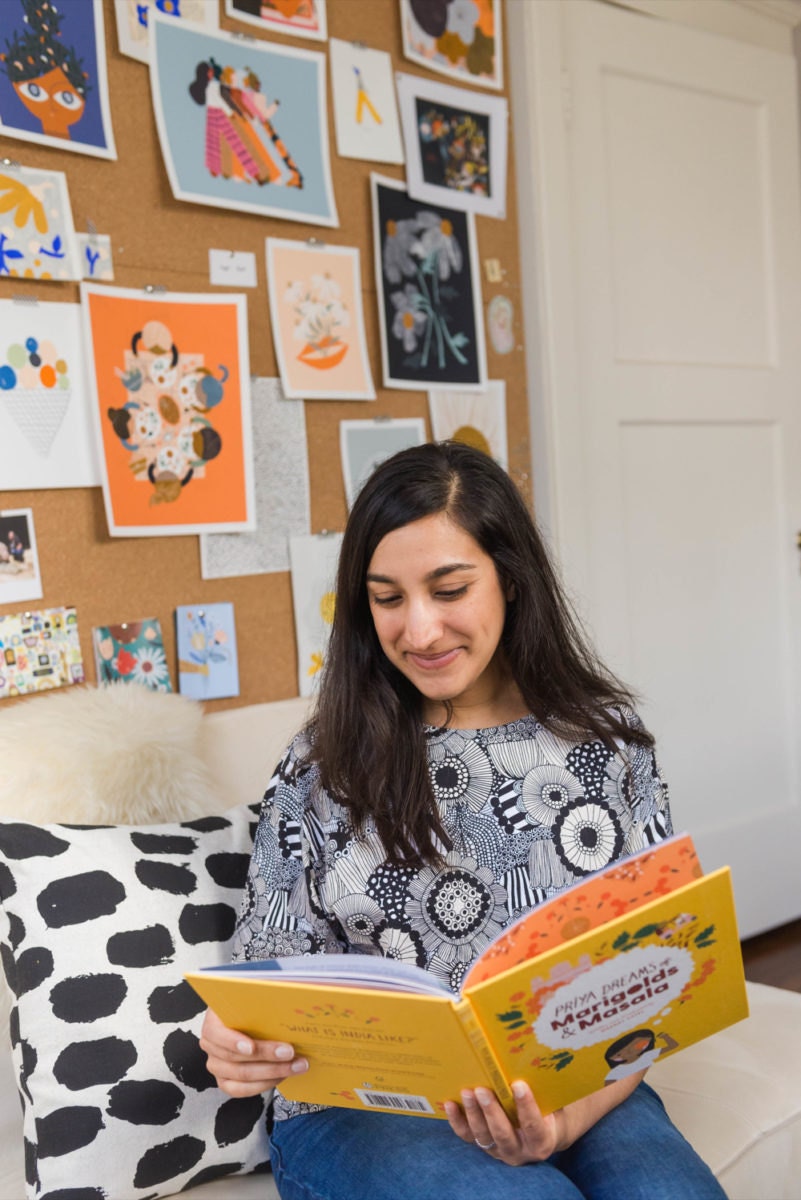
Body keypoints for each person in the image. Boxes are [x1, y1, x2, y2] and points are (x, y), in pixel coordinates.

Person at [200, 442, 726, 1199]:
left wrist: (566, 1119)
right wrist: (233, 1043)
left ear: (509, 579)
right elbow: (265, 979)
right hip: (366, 1109)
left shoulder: (605, 741)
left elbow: (651, 982)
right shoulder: (322, 760)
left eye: (448, 588)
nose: (418, 631)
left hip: (571, 1081)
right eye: (387, 599)